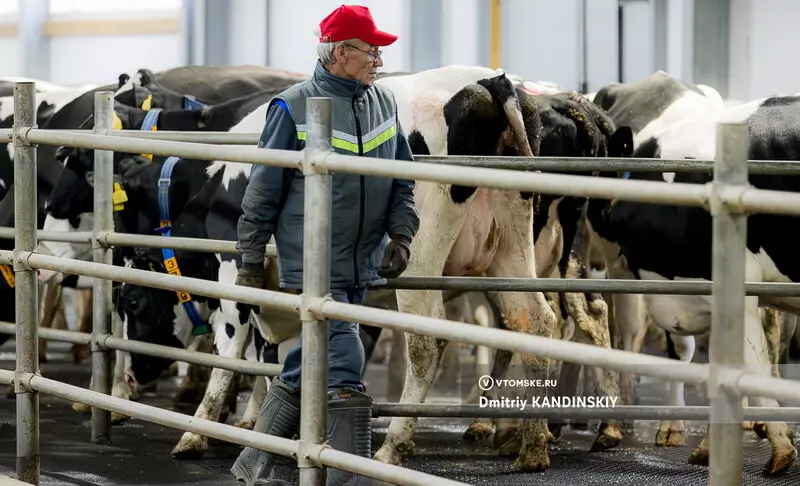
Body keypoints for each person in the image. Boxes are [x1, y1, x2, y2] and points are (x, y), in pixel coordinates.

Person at [230, 4, 420, 485]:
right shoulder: (292, 106)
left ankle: (254, 464)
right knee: (347, 362)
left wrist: (402, 233)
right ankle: (348, 478)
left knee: (305, 360)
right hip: (313, 264)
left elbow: (403, 178)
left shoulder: (384, 103)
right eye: (370, 50)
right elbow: (263, 189)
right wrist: (250, 259)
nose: (378, 59)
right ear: (341, 52)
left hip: (363, 262)